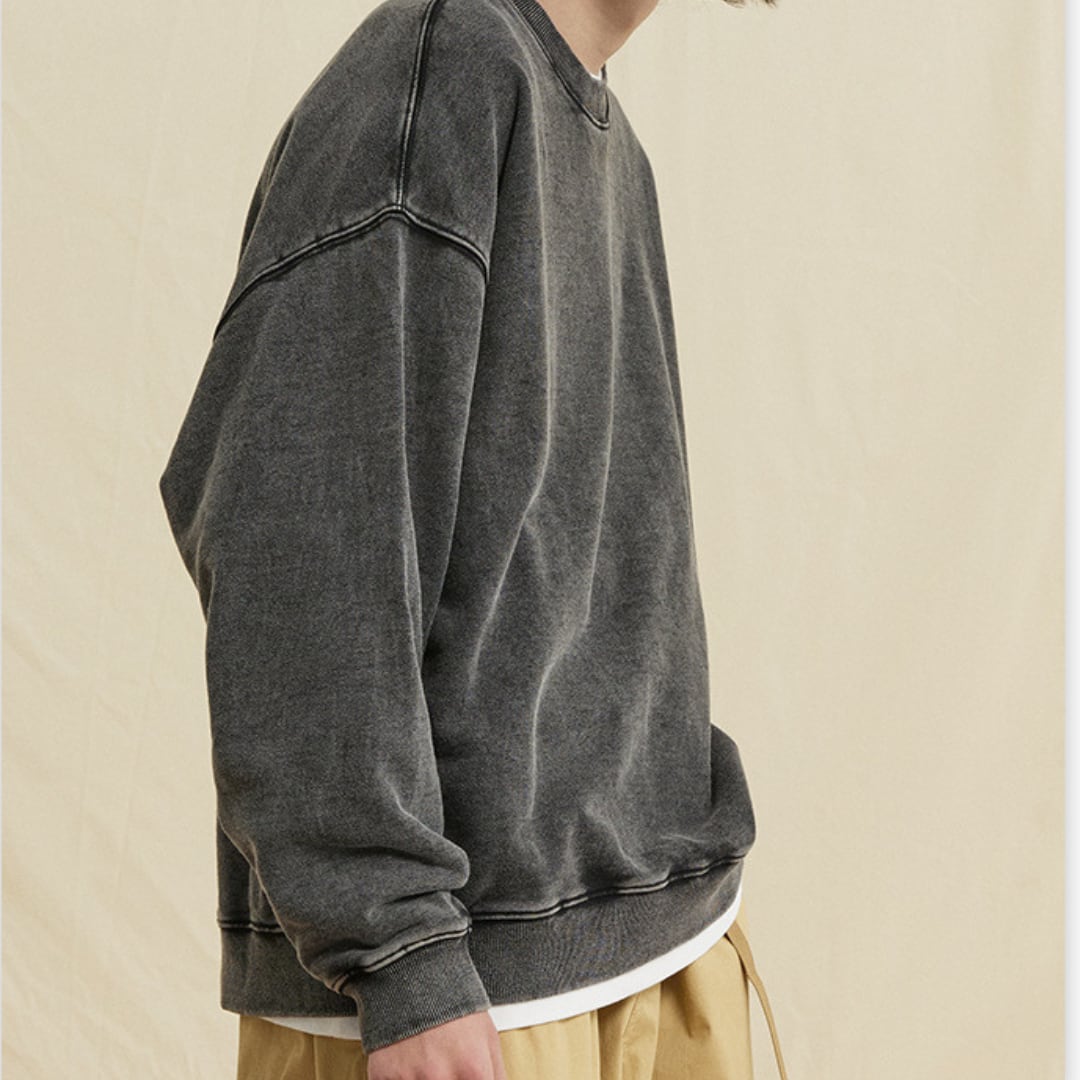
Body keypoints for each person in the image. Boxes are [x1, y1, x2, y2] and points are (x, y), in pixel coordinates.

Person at [157, 0, 789, 1076]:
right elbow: (296, 541)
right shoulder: (442, 74)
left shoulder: (600, 137)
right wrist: (401, 953)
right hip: (473, 1001)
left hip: (657, 945)